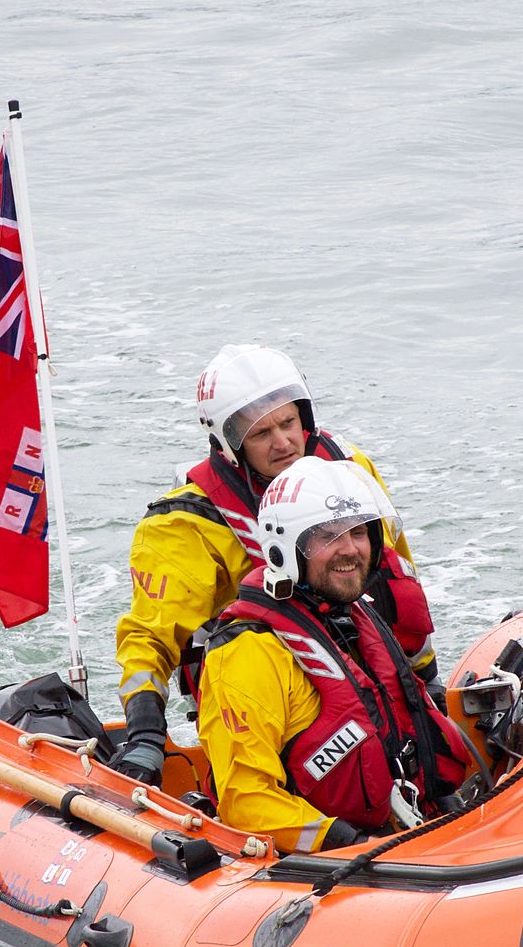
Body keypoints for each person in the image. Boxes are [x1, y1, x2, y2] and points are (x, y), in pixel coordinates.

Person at [112, 344, 437, 785]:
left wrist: (426, 688)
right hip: (274, 703)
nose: (284, 443)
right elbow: (149, 638)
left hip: (376, 679)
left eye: (289, 422)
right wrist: (146, 734)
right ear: (229, 444)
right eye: (262, 434)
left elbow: (395, 574)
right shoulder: (186, 523)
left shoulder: (349, 470)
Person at [195, 457, 476, 852]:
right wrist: (348, 841)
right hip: (332, 861)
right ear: (286, 549)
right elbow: (246, 800)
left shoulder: (356, 617)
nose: (350, 550)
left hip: (405, 833)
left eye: (359, 532)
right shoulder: (248, 652)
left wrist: (446, 802)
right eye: (328, 536)